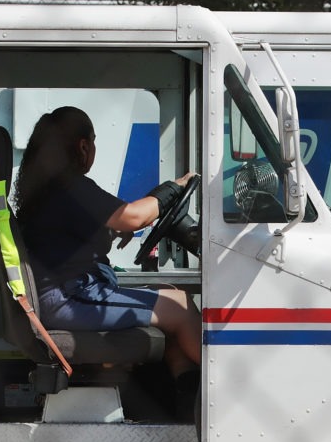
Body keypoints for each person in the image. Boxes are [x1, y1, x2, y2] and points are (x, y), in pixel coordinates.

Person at [12, 106, 201, 413]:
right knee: (181, 309)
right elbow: (134, 217)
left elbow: (76, 232)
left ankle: (185, 389)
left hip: (66, 294)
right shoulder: (71, 185)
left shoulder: (48, 188)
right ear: (83, 146)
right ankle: (222, 392)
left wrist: (111, 232)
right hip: (69, 300)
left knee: (173, 295)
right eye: (94, 141)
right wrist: (175, 188)